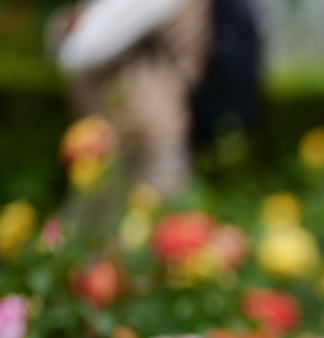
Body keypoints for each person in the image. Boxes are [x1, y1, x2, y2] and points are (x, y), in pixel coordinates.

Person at [51, 0, 261, 196]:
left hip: (148, 135)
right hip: (128, 134)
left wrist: (77, 25)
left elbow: (81, 48)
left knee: (146, 223)